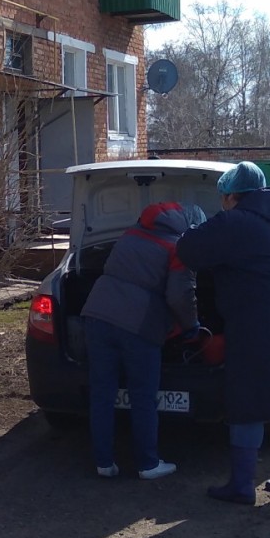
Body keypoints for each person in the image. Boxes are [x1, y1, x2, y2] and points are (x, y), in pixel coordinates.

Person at [176, 162, 270, 505]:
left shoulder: (235, 221)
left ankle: (242, 485)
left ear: (232, 196)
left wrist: (192, 230)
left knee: (248, 400)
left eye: (223, 197)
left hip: (260, 321)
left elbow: (188, 250)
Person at [79, 201, 206, 480]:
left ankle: (103, 463)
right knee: (143, 396)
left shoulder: (130, 234)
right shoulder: (179, 248)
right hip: (137, 325)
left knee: (102, 393)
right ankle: (148, 464)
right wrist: (191, 326)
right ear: (191, 225)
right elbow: (180, 296)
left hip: (97, 315)